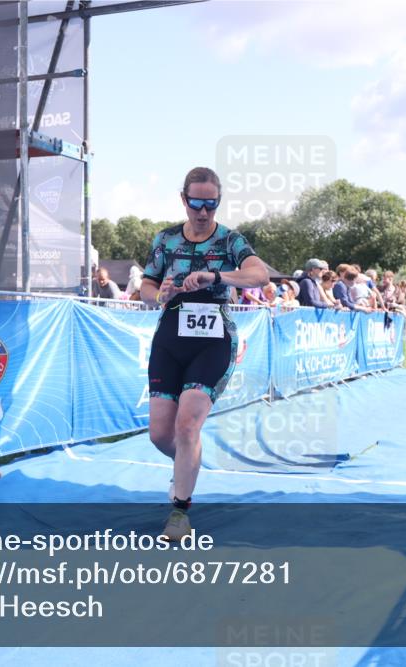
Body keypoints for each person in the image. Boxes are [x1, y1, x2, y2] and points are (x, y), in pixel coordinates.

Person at [138, 167, 268, 542]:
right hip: (170, 336)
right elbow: (146, 286)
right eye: (196, 203)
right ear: (184, 200)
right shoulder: (165, 240)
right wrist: (158, 293)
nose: (203, 211)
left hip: (213, 340)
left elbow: (259, 276)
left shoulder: (230, 241)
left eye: (211, 204)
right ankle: (185, 468)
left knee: (188, 425)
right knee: (161, 435)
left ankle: (179, 512)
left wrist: (217, 277)